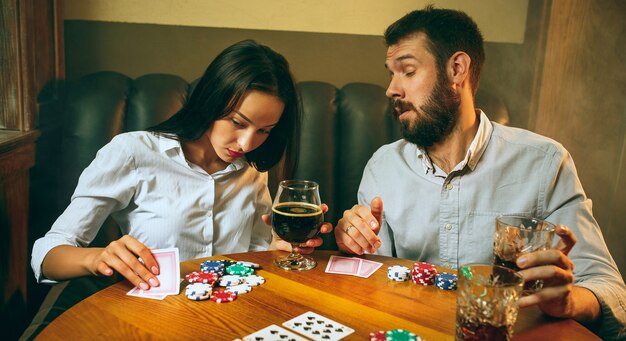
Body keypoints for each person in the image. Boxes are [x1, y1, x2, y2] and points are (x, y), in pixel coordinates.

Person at [334, 6, 626, 340]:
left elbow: (613, 293)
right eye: (390, 73)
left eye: (408, 71)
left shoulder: (545, 163)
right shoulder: (382, 167)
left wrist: (570, 301)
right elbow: (374, 282)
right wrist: (352, 244)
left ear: (457, 69)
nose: (391, 89)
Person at [30, 40, 331, 293]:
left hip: (233, 316)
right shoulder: (133, 152)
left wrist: (280, 247)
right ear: (211, 101)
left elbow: (255, 254)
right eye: (238, 122)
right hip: (151, 319)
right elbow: (47, 255)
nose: (246, 143)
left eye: (265, 131)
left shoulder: (252, 172)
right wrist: (96, 258)